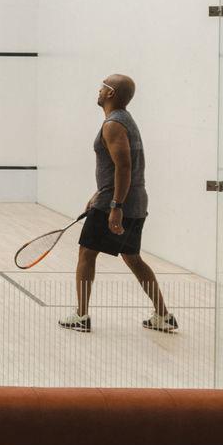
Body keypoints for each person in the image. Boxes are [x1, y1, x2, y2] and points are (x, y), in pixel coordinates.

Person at [60, 73, 176, 335]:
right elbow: (117, 168)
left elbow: (124, 167)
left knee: (86, 253)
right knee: (132, 257)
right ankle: (163, 314)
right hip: (129, 200)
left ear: (111, 93)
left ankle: (80, 315)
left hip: (119, 203)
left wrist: (114, 206)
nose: (98, 90)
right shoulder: (125, 121)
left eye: (103, 87)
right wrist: (100, 194)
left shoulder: (113, 125)